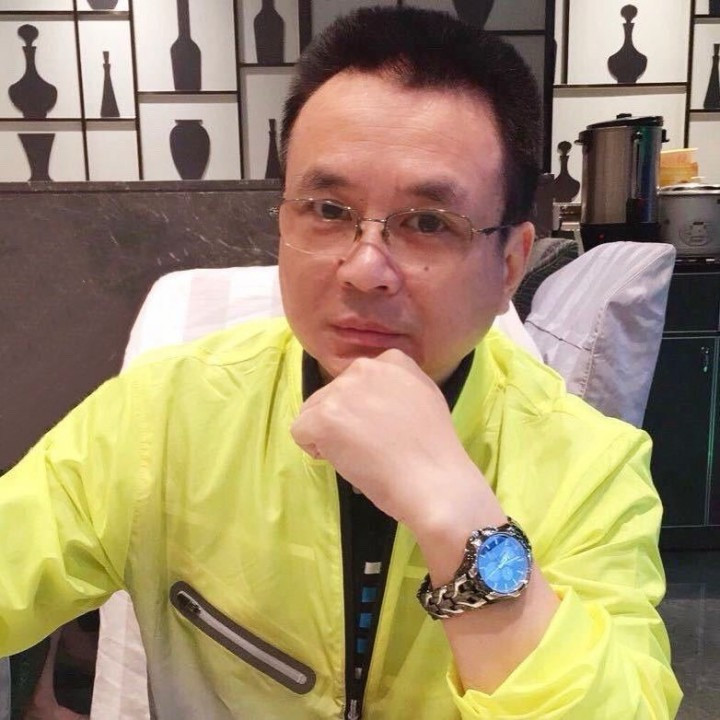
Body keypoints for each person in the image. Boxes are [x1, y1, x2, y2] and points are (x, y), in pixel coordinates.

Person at [0, 6, 681, 719]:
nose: (364, 269)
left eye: (428, 223)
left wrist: (458, 515)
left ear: (509, 264)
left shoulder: (588, 467)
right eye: (327, 210)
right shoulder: (165, 417)